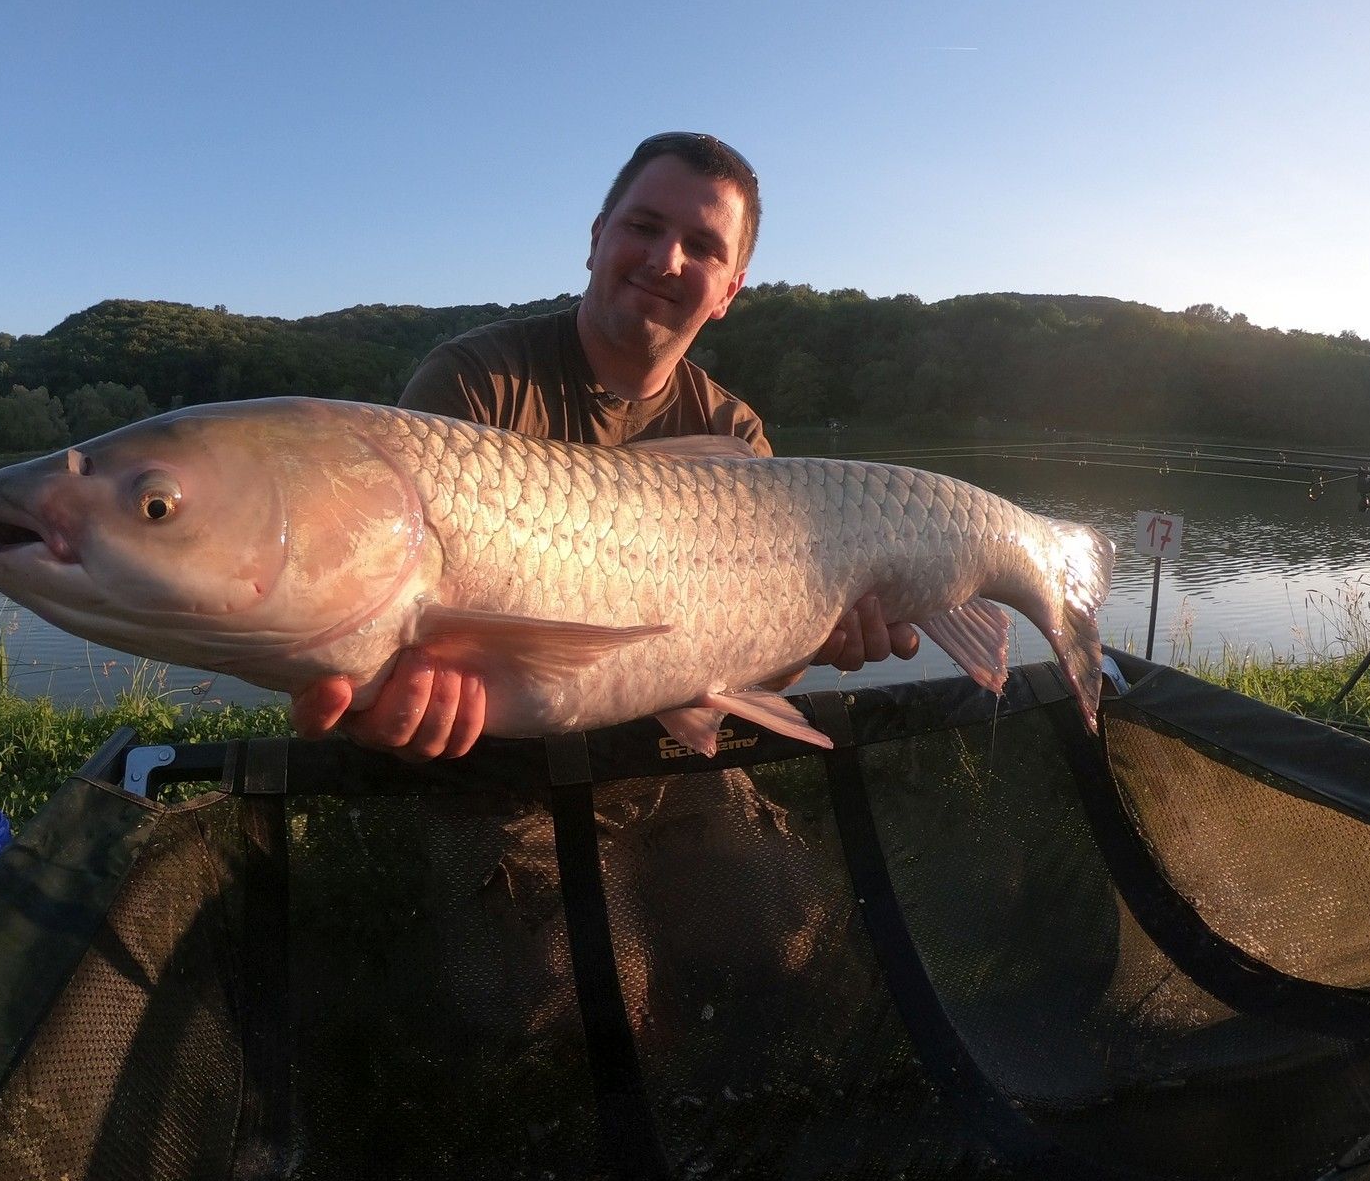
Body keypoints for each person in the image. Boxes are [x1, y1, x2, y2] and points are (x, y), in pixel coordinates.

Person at [290, 132, 919, 758]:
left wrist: (820, 638)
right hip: (495, 772)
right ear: (596, 239)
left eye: (702, 247)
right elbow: (386, 615)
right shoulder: (477, 380)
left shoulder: (734, 433)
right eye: (644, 226)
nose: (665, 259)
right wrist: (382, 701)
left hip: (668, 764)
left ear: (729, 290)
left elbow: (763, 669)